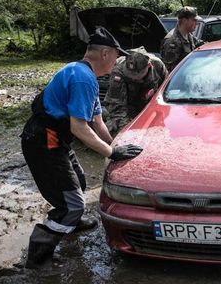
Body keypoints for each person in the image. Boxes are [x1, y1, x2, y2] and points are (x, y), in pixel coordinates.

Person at [20, 26, 143, 269]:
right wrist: (110, 153)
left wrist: (114, 144)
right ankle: (38, 255)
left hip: (56, 139)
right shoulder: (82, 78)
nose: (117, 63)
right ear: (106, 54)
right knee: (71, 204)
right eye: (117, 57)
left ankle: (72, 223)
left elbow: (97, 121)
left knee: (79, 180)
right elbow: (79, 127)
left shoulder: (87, 75)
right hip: (43, 141)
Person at [103, 47, 168, 135]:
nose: (132, 78)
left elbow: (166, 91)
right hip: (125, 108)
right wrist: (126, 132)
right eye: (130, 74)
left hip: (149, 108)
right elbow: (117, 108)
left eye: (137, 74)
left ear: (149, 66)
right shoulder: (118, 71)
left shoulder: (158, 66)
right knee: (115, 128)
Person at [160, 6, 204, 72]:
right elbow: (169, 71)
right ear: (184, 20)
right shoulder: (172, 41)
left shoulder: (188, 35)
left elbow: (199, 44)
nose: (196, 23)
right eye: (194, 20)